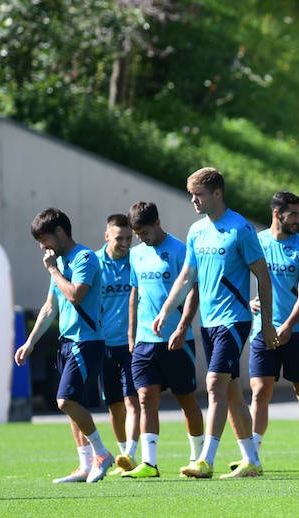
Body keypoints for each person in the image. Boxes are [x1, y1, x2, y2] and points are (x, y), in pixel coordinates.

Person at [153, 167, 276, 479]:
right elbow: (186, 277)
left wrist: (268, 322)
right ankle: (252, 460)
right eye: (192, 195)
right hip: (208, 322)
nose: (194, 201)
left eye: (199, 195)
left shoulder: (240, 229)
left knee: (213, 385)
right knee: (232, 392)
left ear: (217, 194)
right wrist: (167, 310)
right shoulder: (196, 231)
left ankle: (205, 460)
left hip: (234, 320)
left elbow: (262, 275)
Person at [14, 208, 115, 483]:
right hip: (67, 343)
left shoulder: (85, 258)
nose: (41, 246)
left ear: (59, 232)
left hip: (86, 341)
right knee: (74, 407)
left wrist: (53, 271)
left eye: (44, 239)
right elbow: (50, 307)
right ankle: (84, 466)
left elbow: (75, 296)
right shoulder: (58, 264)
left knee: (65, 400)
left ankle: (102, 453)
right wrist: (30, 342)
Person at [120, 201, 205, 478]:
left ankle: (197, 458)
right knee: (145, 398)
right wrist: (131, 333)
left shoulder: (181, 250)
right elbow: (135, 293)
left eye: (145, 232)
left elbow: (193, 291)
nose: (142, 238)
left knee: (187, 401)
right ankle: (150, 463)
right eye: (138, 234)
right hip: (145, 341)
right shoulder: (135, 255)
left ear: (157, 222)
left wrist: (182, 328)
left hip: (177, 340)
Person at [248, 191, 299, 471]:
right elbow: (236, 274)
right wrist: (247, 301)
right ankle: (252, 455)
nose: (298, 219)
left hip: (297, 332)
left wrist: (289, 325)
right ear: (277, 214)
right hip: (262, 330)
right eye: (294, 214)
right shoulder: (257, 242)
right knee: (260, 391)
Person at [95, 214, 141, 475]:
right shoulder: (94, 263)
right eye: (119, 238)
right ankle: (124, 453)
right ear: (106, 237)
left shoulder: (137, 260)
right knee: (114, 404)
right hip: (103, 344)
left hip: (132, 344)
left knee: (132, 400)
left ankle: (130, 454)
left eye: (128, 238)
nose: (125, 243)